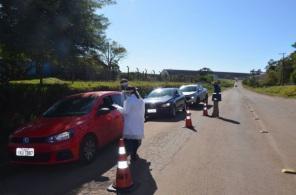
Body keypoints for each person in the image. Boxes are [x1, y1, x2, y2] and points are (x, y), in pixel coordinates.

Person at [122, 87, 145, 161]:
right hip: (138, 122)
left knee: (131, 141)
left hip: (131, 123)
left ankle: (133, 155)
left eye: (126, 93)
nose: (126, 94)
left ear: (129, 93)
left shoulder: (129, 100)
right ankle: (134, 154)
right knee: (136, 140)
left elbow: (126, 112)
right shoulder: (140, 100)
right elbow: (143, 111)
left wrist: (118, 109)